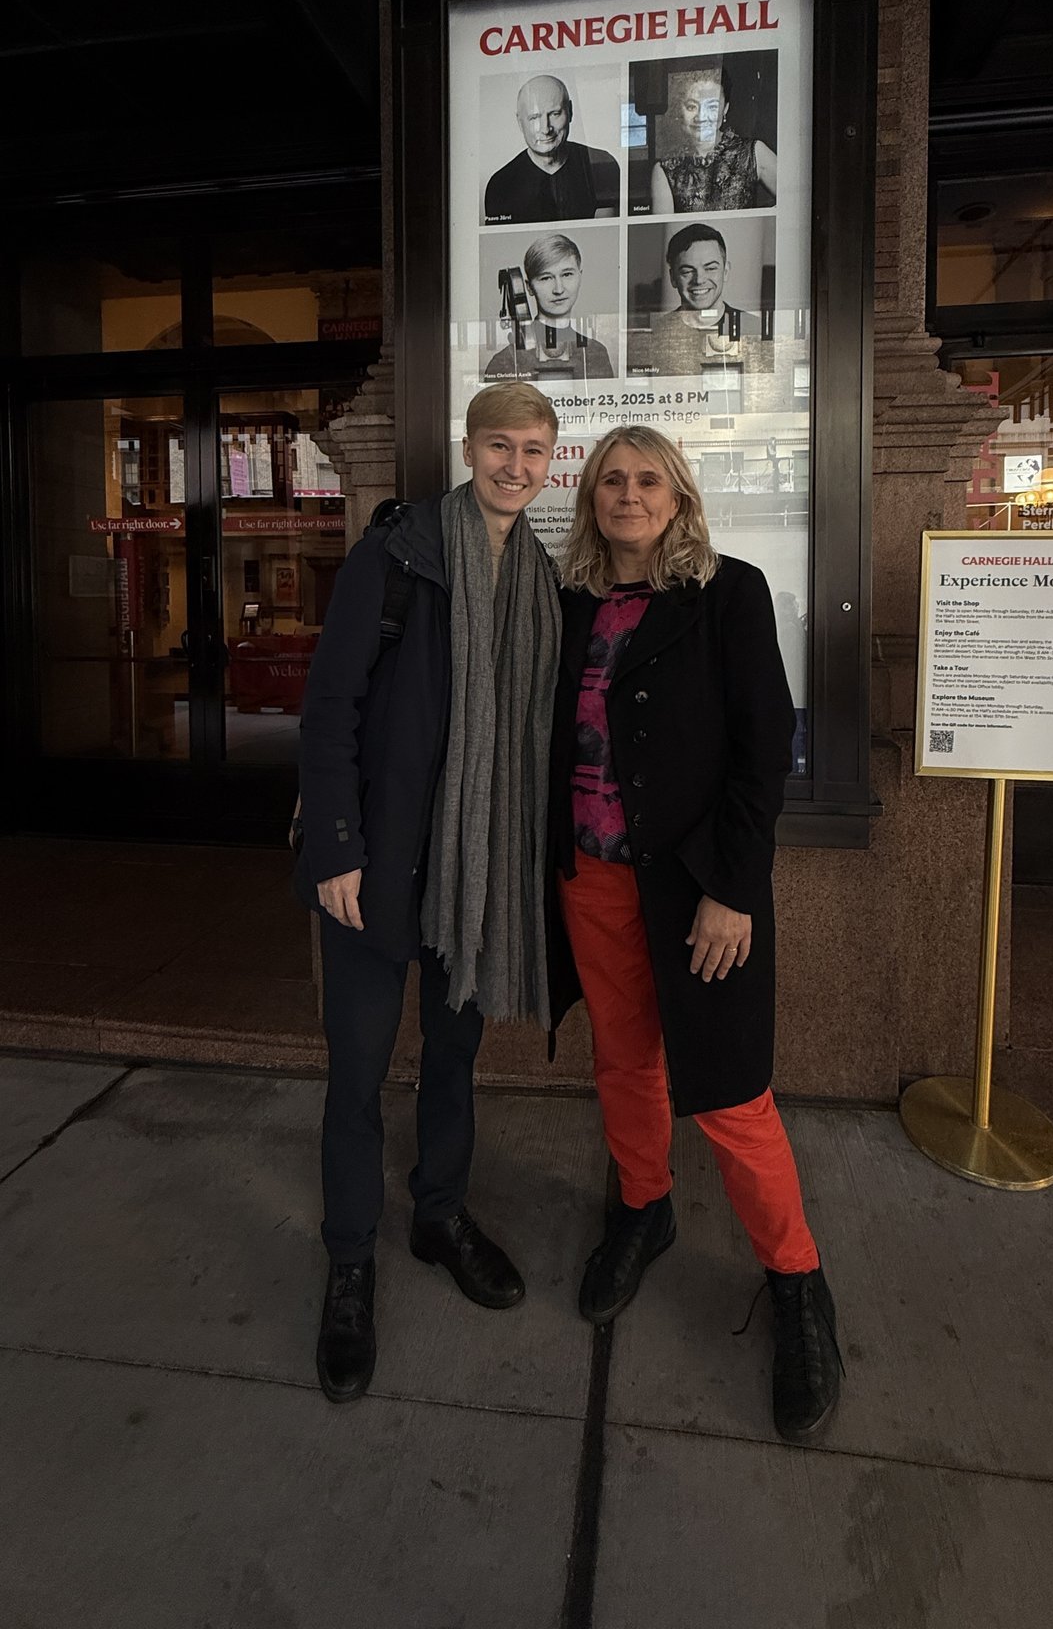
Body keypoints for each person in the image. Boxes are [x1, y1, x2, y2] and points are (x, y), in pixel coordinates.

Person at [547, 427, 841, 1443]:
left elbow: (766, 753)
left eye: (648, 479)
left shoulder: (729, 592)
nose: (628, 494)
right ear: (590, 498)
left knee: (729, 1090)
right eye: (611, 479)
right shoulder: (570, 602)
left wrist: (732, 888)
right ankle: (644, 1206)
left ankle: (797, 1279)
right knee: (624, 1061)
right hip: (592, 879)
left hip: (696, 890)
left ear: (678, 497)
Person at [298, 381, 562, 1404]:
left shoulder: (541, 578)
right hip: (375, 869)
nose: (515, 465)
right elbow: (329, 710)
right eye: (499, 444)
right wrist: (335, 848)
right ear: (467, 447)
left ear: (551, 459)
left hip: (475, 874)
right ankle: (351, 1258)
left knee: (453, 1058)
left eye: (534, 449)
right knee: (358, 1073)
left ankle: (439, 1212)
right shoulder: (400, 555)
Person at [629, 222, 765, 377]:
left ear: (725, 271)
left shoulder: (756, 330)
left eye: (711, 268)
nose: (699, 280)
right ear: (673, 278)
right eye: (687, 271)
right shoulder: (652, 336)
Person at [485, 75, 620, 223]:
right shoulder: (500, 185)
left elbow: (604, 230)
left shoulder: (602, 165)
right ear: (520, 122)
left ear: (570, 111)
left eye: (555, 114)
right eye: (534, 118)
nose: (545, 128)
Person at [484, 232, 615, 381]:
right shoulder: (504, 362)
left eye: (567, 275)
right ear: (529, 287)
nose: (558, 289)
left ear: (580, 276)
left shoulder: (596, 354)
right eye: (546, 278)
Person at [650, 62, 777, 214]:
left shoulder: (754, 152)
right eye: (691, 107)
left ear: (725, 109)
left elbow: (795, 198)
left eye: (711, 106)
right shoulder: (665, 170)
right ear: (680, 111)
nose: (701, 117)